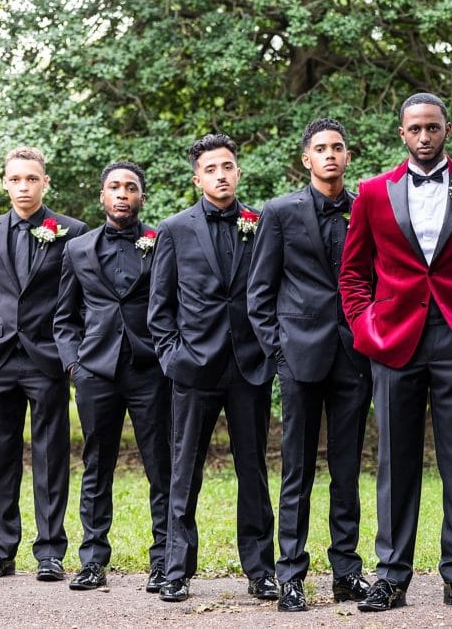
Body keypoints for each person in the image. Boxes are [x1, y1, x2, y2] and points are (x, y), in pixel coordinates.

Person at [338, 92, 452, 611]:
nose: (423, 137)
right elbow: (352, 274)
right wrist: (365, 326)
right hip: (393, 340)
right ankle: (391, 576)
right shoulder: (373, 192)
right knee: (395, 461)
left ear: (446, 129)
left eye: (431, 128)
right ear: (402, 134)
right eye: (414, 129)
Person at [247, 118, 372, 612]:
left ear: (347, 155)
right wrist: (279, 349)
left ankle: (346, 572)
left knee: (347, 470)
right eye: (320, 148)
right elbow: (260, 292)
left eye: (338, 147)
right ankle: (291, 575)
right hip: (298, 357)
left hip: (354, 356)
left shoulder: (366, 209)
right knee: (296, 470)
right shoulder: (278, 212)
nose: (330, 155)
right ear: (306, 159)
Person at [147, 134, 277, 602]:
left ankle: (261, 570)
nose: (221, 174)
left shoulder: (262, 223)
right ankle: (176, 569)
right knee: (185, 472)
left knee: (253, 470)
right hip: (194, 368)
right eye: (211, 169)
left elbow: (274, 293)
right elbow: (159, 307)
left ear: (238, 171)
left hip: (249, 367)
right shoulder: (174, 229)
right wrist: (172, 356)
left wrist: (270, 351)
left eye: (228, 166)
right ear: (197, 177)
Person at [0, 146, 87, 581]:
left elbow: (77, 302)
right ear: (4, 182)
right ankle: (0, 550)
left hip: (45, 359)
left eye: (31, 179)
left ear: (44, 182)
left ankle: (50, 552)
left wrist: (68, 354)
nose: (23, 186)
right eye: (15, 179)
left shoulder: (71, 232)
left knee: (51, 457)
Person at [53, 161, 171, 592]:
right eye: (114, 187)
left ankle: (164, 561)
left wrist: (167, 357)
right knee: (96, 467)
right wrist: (74, 365)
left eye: (131, 187)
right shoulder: (76, 249)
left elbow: (173, 304)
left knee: (161, 467)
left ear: (142, 196)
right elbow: (64, 317)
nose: (122, 194)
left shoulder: (160, 242)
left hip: (150, 370)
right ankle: (92, 559)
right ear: (102, 196)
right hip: (96, 372)